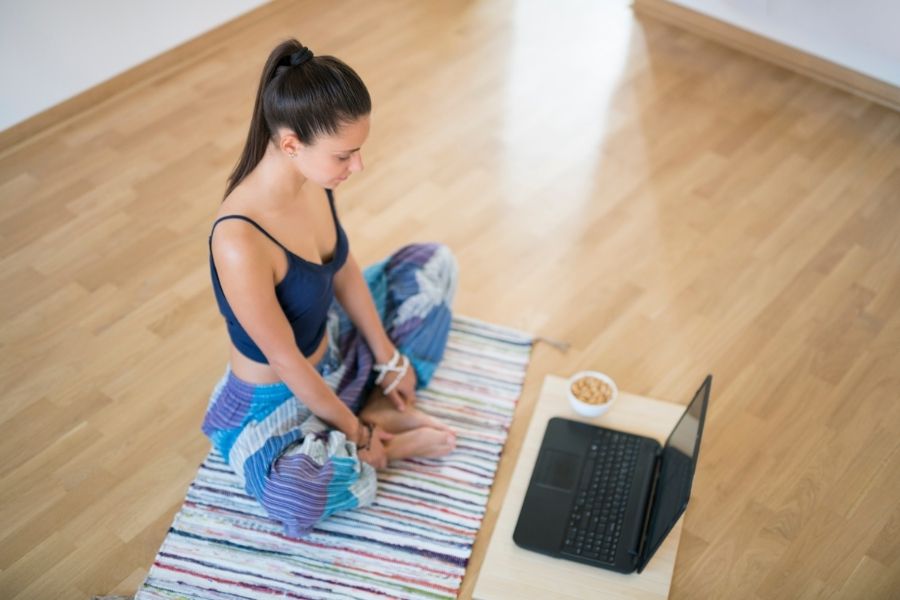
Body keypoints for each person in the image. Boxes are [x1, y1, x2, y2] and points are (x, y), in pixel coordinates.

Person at [201, 39, 458, 538]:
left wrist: (387, 356)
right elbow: (286, 362)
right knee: (294, 494)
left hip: (333, 347)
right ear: (291, 144)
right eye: (345, 154)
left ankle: (370, 401)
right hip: (277, 397)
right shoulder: (238, 239)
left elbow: (343, 268)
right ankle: (381, 442)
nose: (357, 166)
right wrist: (359, 433)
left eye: (358, 150)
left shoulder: (313, 180)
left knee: (433, 264)